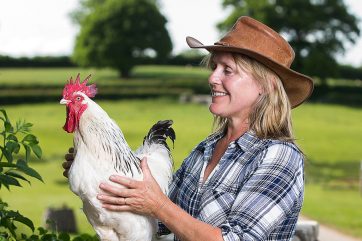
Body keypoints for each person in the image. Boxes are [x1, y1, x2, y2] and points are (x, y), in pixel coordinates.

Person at [63, 16, 313, 241]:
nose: (212, 78)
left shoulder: (279, 155)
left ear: (266, 86)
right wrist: (96, 175)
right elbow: (159, 222)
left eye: (228, 70)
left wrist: (158, 205)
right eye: (214, 67)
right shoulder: (205, 150)